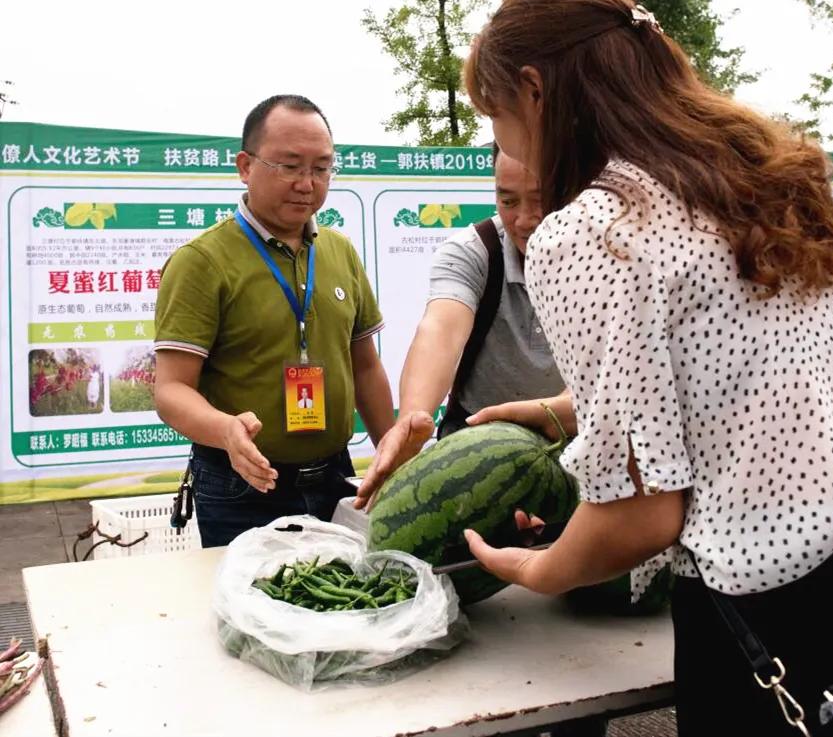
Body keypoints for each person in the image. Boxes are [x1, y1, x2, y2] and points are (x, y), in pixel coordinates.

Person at [456, 0, 833, 736]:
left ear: (533, 90)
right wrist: (561, 413)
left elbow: (640, 515)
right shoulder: (769, 177)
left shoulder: (590, 229)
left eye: (494, 118)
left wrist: (538, 567)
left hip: (784, 605)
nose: (501, 144)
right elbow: (752, 372)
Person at [154, 94, 394, 548]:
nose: (307, 183)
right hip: (242, 486)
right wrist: (225, 429)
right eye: (289, 165)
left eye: (321, 168)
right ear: (245, 166)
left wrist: (394, 453)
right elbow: (171, 390)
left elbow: (364, 366)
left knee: (340, 607)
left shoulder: (340, 251)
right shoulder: (202, 261)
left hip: (335, 477)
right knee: (253, 613)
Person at [354, 145, 564, 509]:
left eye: (540, 200)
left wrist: (558, 414)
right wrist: (413, 418)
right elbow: (441, 331)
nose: (526, 220)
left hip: (576, 448)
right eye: (508, 200)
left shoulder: (611, 259)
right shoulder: (474, 251)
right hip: (475, 458)